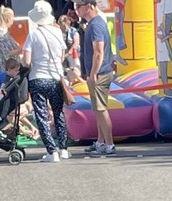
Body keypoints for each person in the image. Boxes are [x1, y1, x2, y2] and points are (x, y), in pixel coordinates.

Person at [22, 0, 68, 162]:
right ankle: (63, 148)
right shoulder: (57, 32)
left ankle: (51, 151)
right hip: (56, 78)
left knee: (41, 115)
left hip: (38, 78)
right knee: (58, 113)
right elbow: (62, 56)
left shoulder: (33, 34)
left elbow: (26, 61)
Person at [76, 0, 114, 155]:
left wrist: (93, 73)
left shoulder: (96, 24)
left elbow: (99, 51)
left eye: (79, 6)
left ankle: (109, 144)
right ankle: (100, 141)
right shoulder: (93, 24)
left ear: (89, 6)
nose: (76, 9)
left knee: (101, 108)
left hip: (100, 73)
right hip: (98, 72)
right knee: (97, 109)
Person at [0, 5, 19, 72]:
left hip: (6, 69)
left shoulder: (2, 32)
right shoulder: (0, 33)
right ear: (8, 19)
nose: (13, 20)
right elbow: (6, 53)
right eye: (13, 17)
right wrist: (21, 49)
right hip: (5, 70)